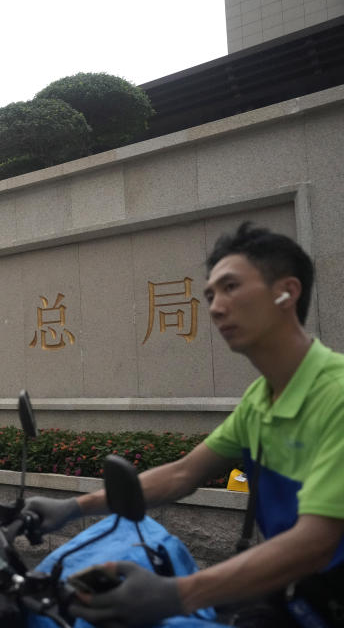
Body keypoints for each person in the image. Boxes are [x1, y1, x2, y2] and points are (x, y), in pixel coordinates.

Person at [24, 222, 344, 626]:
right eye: (209, 294)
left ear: (287, 292)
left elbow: (316, 544)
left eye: (230, 287)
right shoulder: (260, 400)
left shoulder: (336, 396)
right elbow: (182, 473)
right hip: (290, 596)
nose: (215, 306)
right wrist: (72, 507)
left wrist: (175, 594)